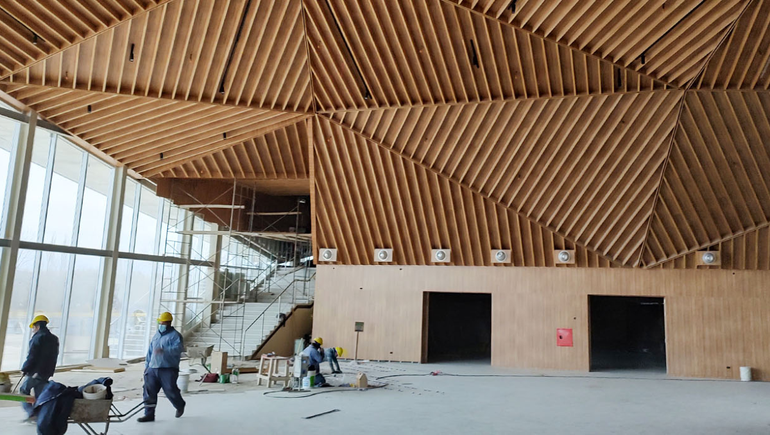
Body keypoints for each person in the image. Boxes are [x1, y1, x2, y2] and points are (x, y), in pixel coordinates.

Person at [138, 312, 186, 423]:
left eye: (163, 322)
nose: (161, 324)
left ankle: (180, 404)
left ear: (169, 322)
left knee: (170, 390)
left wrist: (164, 350)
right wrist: (147, 366)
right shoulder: (157, 335)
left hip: (168, 368)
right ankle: (149, 414)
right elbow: (150, 352)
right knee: (149, 391)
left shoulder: (175, 336)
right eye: (160, 322)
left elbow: (178, 350)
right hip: (152, 368)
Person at [21, 315, 59, 413]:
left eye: (33, 327)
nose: (33, 330)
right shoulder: (54, 338)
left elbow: (33, 355)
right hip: (47, 371)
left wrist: (25, 368)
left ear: (37, 326)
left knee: (24, 390)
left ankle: (31, 412)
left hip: (35, 371)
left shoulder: (38, 337)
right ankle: (39, 414)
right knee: (40, 394)